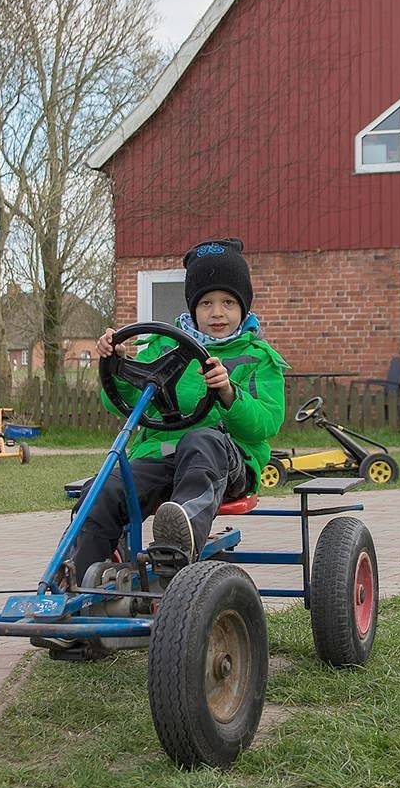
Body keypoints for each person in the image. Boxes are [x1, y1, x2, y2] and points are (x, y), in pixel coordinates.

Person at [69, 237, 287, 582]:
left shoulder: (258, 358)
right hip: (161, 457)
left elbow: (267, 423)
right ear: (193, 307)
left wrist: (229, 393)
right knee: (104, 489)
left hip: (226, 462)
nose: (217, 313)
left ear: (243, 307)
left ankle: (177, 543)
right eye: (207, 303)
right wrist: (118, 365)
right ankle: (79, 583)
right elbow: (123, 403)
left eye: (229, 302)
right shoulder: (163, 346)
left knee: (202, 439)